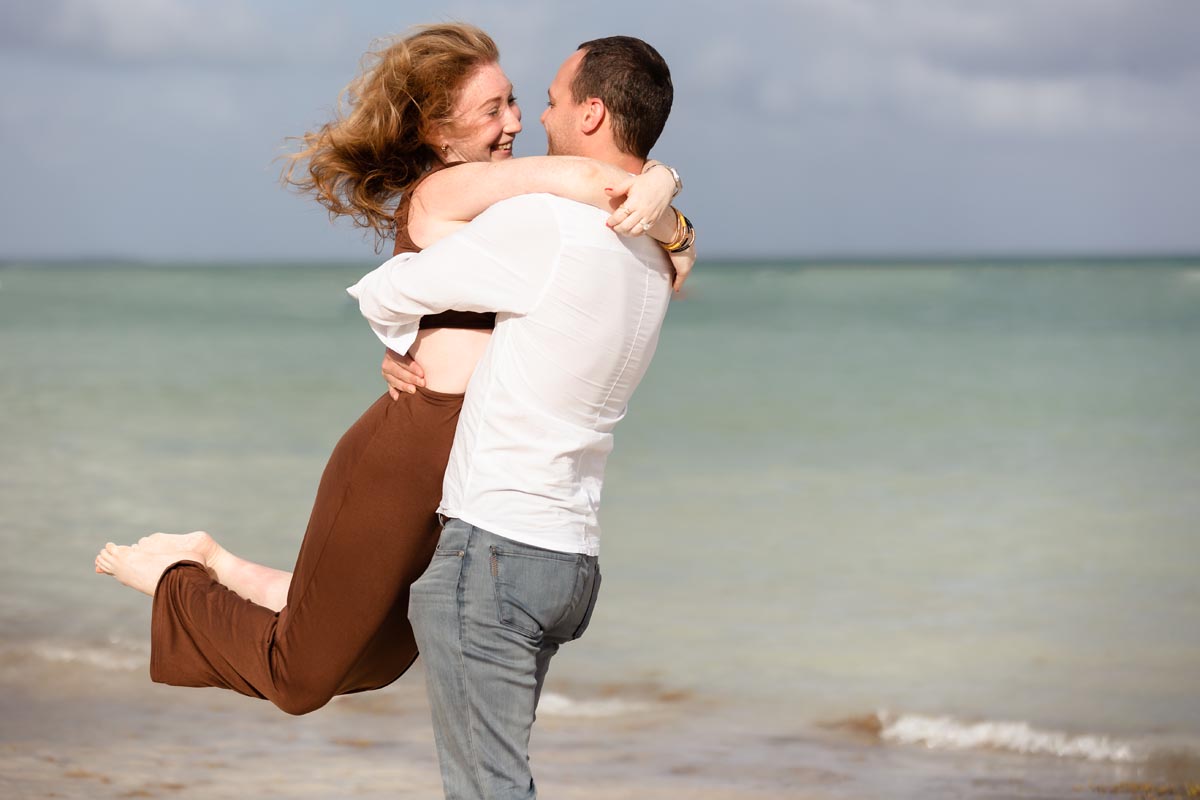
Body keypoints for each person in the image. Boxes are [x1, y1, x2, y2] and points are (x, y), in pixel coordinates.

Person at [93, 23, 693, 716]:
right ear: (439, 132)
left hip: (468, 466)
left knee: (378, 652)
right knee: (301, 678)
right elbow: (593, 179)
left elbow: (584, 210)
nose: (518, 122)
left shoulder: (517, 202)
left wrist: (670, 213)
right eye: (492, 110)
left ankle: (216, 560)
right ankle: (172, 577)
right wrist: (663, 186)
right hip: (409, 449)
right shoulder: (449, 191)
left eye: (517, 101)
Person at [346, 35, 687, 798]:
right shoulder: (661, 256)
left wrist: (413, 332)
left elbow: (389, 291)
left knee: (489, 790)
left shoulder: (547, 226)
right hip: (569, 558)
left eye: (555, 100)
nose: (536, 114)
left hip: (495, 552)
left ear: (592, 113)